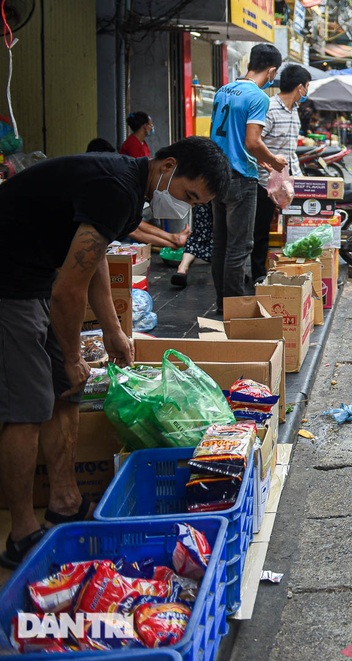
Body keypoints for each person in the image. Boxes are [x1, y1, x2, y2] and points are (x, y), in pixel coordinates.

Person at [0, 137, 230, 568]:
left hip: (35, 275)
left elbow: (95, 259)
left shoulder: (129, 190)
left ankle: (65, 501)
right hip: (9, 284)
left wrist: (113, 331)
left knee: (67, 392)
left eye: (197, 203)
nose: (186, 207)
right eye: (188, 195)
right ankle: (22, 533)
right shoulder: (115, 186)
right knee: (27, 409)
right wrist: (71, 355)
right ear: (168, 166)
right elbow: (70, 288)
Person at [209, 43, 287, 314]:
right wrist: (274, 160)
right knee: (239, 246)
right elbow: (252, 142)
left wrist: (261, 157)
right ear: (272, 70)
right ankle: (233, 307)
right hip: (240, 177)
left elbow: (230, 137)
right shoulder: (258, 97)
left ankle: (221, 303)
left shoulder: (224, 90)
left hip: (216, 174)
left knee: (220, 242)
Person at [253, 64, 310, 283]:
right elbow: (255, 143)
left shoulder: (295, 111)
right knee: (261, 230)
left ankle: (288, 271)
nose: (306, 91)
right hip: (264, 182)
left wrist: (298, 177)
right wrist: (268, 166)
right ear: (299, 87)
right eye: (306, 87)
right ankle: (258, 274)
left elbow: (290, 150)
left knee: (291, 228)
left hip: (288, 182)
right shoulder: (269, 108)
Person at [87, 136, 190, 249]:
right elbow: (133, 232)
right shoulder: (117, 184)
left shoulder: (134, 181)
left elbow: (135, 226)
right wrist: (170, 243)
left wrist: (172, 239)